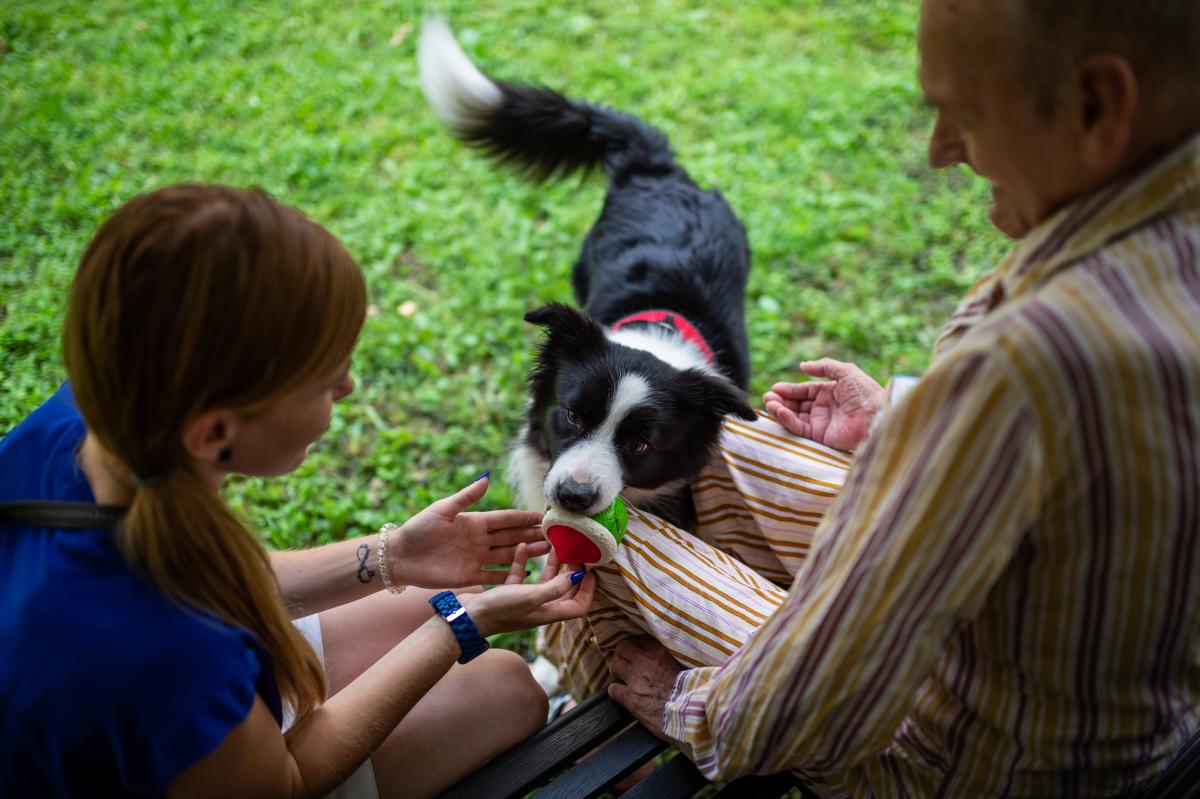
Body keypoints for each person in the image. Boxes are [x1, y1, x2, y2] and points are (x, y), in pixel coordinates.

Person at [537, 0, 1200, 795]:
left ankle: (570, 694)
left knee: (599, 521)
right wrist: (904, 423)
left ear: (1099, 103)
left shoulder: (1025, 368)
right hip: (1133, 701)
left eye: (960, 112)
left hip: (974, 764)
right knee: (707, 431)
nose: (941, 150)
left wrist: (684, 703)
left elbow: (829, 687)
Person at [0, 183, 595, 799]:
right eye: (323, 375)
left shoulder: (81, 422)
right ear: (215, 432)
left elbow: (201, 574)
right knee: (507, 688)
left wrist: (396, 556)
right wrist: (456, 630)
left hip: (180, 715)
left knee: (444, 592)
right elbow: (282, 784)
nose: (348, 387)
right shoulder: (167, 651)